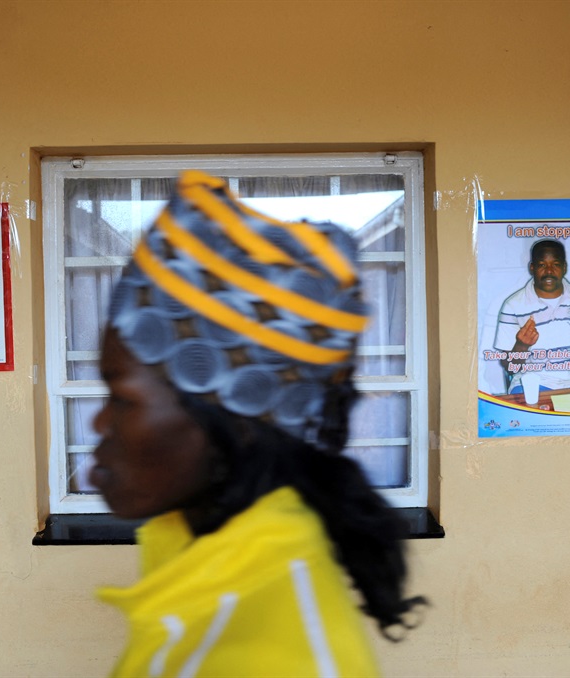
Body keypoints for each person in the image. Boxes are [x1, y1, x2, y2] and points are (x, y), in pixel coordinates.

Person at [92, 171, 425, 677]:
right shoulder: (199, 554)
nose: (98, 421)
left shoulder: (282, 658)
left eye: (121, 397)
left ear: (236, 419)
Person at [493, 239, 570, 394]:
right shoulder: (513, 305)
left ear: (564, 268)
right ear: (532, 267)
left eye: (555, 264)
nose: (549, 271)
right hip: (530, 385)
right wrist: (521, 346)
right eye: (542, 265)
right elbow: (509, 367)